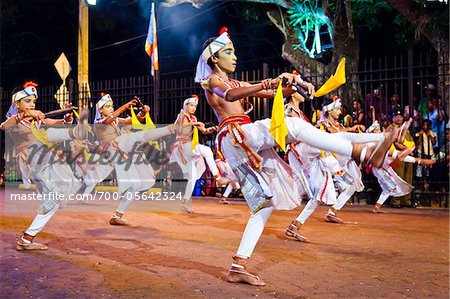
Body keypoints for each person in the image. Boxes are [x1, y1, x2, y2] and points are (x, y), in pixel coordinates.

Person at [195, 27, 399, 286]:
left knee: (263, 206)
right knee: (295, 127)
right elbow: (232, 95)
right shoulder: (211, 81)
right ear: (214, 58)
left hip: (241, 140)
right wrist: (269, 82)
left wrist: (295, 84)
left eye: (234, 51)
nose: (234, 57)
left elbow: (271, 92)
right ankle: (362, 152)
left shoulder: (237, 81)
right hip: (235, 135)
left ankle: (238, 265)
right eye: (228, 52)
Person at [0, 82, 88, 250]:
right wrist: (28, 114)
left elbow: (53, 122)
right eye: (27, 101)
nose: (32, 105)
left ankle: (27, 239)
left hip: (46, 159)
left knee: (56, 199)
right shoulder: (14, 121)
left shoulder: (34, 120)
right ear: (16, 104)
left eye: (33, 102)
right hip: (33, 163)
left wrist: (66, 118)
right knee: (54, 196)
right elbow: (4, 126)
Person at [94, 93, 175, 225]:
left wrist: (143, 113)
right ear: (100, 109)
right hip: (114, 149)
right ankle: (167, 130)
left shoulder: (115, 120)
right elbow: (109, 119)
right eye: (107, 106)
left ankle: (117, 215)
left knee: (136, 185)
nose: (110, 108)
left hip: (122, 151)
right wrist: (124, 107)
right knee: (135, 137)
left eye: (111, 106)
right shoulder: (98, 123)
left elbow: (131, 120)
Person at [170, 95, 230, 212]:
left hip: (189, 148)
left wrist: (210, 130)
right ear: (186, 105)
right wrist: (195, 125)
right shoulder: (181, 115)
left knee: (192, 176)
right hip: (181, 147)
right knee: (206, 150)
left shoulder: (193, 118)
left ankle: (185, 202)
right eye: (191, 105)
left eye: (195, 106)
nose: (193, 108)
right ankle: (218, 178)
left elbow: (203, 130)